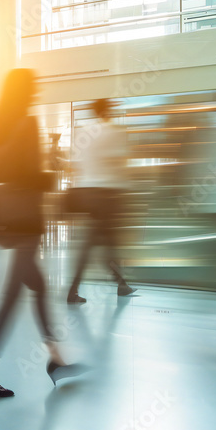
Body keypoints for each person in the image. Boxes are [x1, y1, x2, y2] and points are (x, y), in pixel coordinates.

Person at [0, 68, 83, 399]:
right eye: (33, 87)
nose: (37, 91)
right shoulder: (28, 123)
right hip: (27, 222)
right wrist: (52, 174)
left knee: (38, 286)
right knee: (14, 295)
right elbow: (31, 176)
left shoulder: (0, 129)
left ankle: (55, 359)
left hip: (11, 220)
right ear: (25, 91)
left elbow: (7, 174)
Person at [66, 98, 135, 304]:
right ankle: (75, 290)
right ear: (108, 111)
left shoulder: (84, 132)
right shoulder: (115, 132)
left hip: (87, 194)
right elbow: (120, 162)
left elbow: (75, 164)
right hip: (107, 195)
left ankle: (121, 283)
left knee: (102, 242)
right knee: (99, 243)